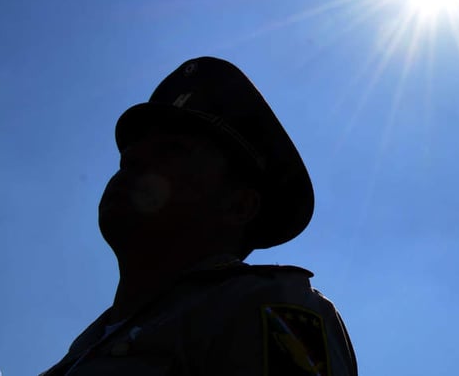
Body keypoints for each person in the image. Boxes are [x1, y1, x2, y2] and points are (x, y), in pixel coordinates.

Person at [42, 56, 357, 376]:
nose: (133, 160)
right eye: (128, 157)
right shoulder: (73, 358)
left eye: (172, 150)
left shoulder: (268, 305)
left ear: (239, 206)